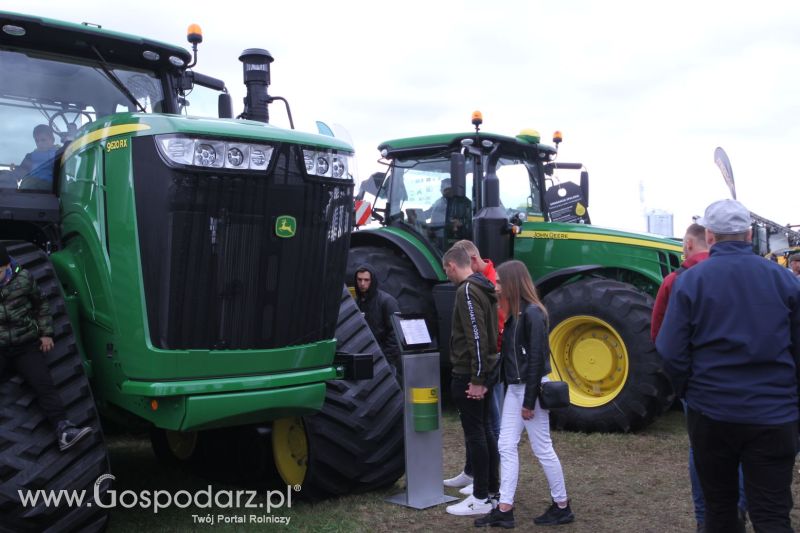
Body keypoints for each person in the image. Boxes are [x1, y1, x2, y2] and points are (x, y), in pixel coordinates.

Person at [657, 199, 800, 533]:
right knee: (772, 515)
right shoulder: (785, 280)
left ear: (710, 234)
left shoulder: (690, 281)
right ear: (749, 234)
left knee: (720, 510)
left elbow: (669, 350)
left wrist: (690, 391)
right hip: (774, 416)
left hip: (713, 414)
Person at [651, 223, 746, 532]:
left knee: (701, 448)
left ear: (691, 244)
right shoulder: (746, 275)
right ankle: (739, 509)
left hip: (700, 384)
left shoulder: (675, 280)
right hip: (744, 378)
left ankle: (705, 517)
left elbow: (660, 337)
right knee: (744, 446)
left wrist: (683, 382)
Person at [475, 260, 574, 528]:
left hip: (531, 389)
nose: (495, 286)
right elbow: (509, 360)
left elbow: (536, 360)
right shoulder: (517, 315)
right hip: (516, 389)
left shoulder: (532, 314)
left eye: (498, 282)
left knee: (542, 448)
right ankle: (505, 509)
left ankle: (562, 505)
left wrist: (529, 401)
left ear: (511, 284)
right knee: (506, 445)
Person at [0, 244, 92, 451]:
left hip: (26, 345)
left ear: (7, 266)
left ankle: (65, 431)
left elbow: (41, 305)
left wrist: (46, 334)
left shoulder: (24, 279)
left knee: (44, 385)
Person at [443, 240, 505, 497]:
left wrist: (477, 378)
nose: (446, 275)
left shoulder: (467, 291)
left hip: (470, 374)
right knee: (486, 430)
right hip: (487, 370)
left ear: (452, 265)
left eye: (446, 270)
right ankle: (491, 487)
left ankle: (481, 494)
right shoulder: (486, 287)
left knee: (477, 434)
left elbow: (476, 336)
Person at [353, 264, 401, 378]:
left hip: (385, 361)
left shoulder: (387, 301)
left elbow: (396, 332)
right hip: (365, 359)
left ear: (372, 280)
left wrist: (386, 357)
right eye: (359, 280)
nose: (362, 283)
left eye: (366, 280)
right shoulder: (357, 302)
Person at [14, 124, 60, 189]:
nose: (40, 143)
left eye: (43, 140)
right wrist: (11, 175)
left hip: (52, 190)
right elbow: (21, 171)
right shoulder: (30, 157)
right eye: (37, 141)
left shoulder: (59, 154)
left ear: (52, 140)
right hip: (32, 189)